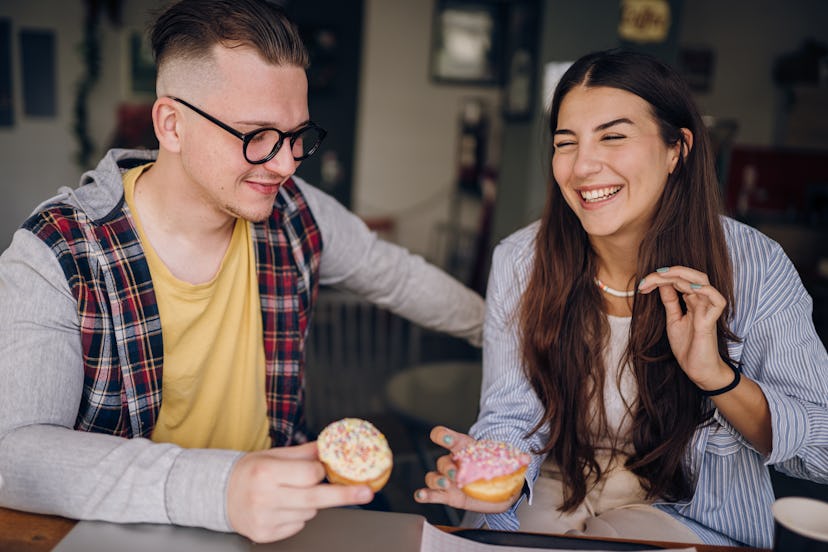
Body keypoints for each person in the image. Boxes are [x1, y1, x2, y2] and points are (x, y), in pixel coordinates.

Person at [0, 0, 484, 544]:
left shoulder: (296, 209)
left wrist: (509, 331)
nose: (285, 164)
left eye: (297, 135)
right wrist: (219, 488)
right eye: (257, 136)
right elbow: (14, 455)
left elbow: (396, 276)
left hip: (280, 529)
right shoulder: (56, 253)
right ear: (171, 124)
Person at [415, 49, 828, 549]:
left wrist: (716, 377)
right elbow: (511, 413)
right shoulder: (521, 258)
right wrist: (492, 476)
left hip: (684, 510)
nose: (584, 165)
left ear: (677, 148)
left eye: (613, 136)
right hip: (552, 487)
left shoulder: (754, 266)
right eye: (566, 143)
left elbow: (820, 452)